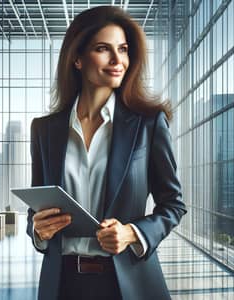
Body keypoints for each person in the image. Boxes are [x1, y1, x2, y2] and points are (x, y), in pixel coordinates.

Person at [26, 5, 187, 300]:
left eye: (123, 49)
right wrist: (38, 231)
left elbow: (173, 205)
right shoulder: (44, 130)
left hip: (128, 284)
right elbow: (37, 209)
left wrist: (132, 233)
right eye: (103, 49)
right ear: (77, 57)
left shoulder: (148, 124)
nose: (118, 60)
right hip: (62, 284)